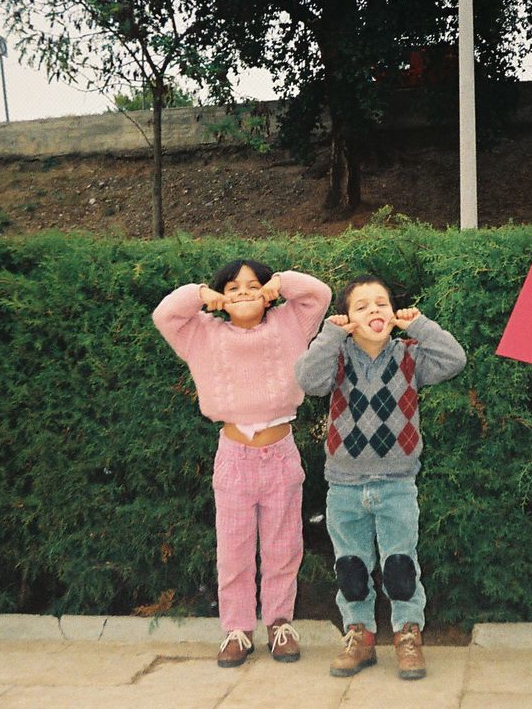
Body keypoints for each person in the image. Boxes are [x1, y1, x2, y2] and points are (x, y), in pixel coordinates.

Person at [152, 260, 331, 668]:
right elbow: (165, 314)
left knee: (283, 546)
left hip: (281, 454)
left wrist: (281, 284)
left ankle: (280, 624)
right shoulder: (202, 332)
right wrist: (201, 294)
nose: (244, 292)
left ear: (268, 293)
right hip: (233, 457)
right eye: (232, 287)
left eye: (254, 285)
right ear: (221, 298)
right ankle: (236, 629)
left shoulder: (290, 325)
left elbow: (318, 294)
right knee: (233, 548)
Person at [294, 275, 466, 681]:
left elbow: (455, 359)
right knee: (350, 568)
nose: (374, 310)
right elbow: (306, 379)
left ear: (394, 313)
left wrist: (420, 325)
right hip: (345, 486)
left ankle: (408, 634)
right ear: (347, 318)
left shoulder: (410, 357)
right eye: (362, 305)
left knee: (401, 566)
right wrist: (329, 337)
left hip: (397, 483)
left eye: (381, 303)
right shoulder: (336, 360)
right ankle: (360, 635)